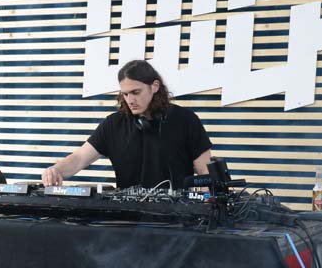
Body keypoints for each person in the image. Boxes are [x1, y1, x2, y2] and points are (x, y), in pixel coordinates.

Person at [42, 59, 213, 190]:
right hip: (127, 220)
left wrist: (208, 205)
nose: (130, 100)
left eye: (136, 92)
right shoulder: (113, 124)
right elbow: (79, 158)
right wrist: (56, 170)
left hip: (179, 219)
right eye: (125, 94)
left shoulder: (187, 120)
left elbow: (206, 174)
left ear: (154, 86)